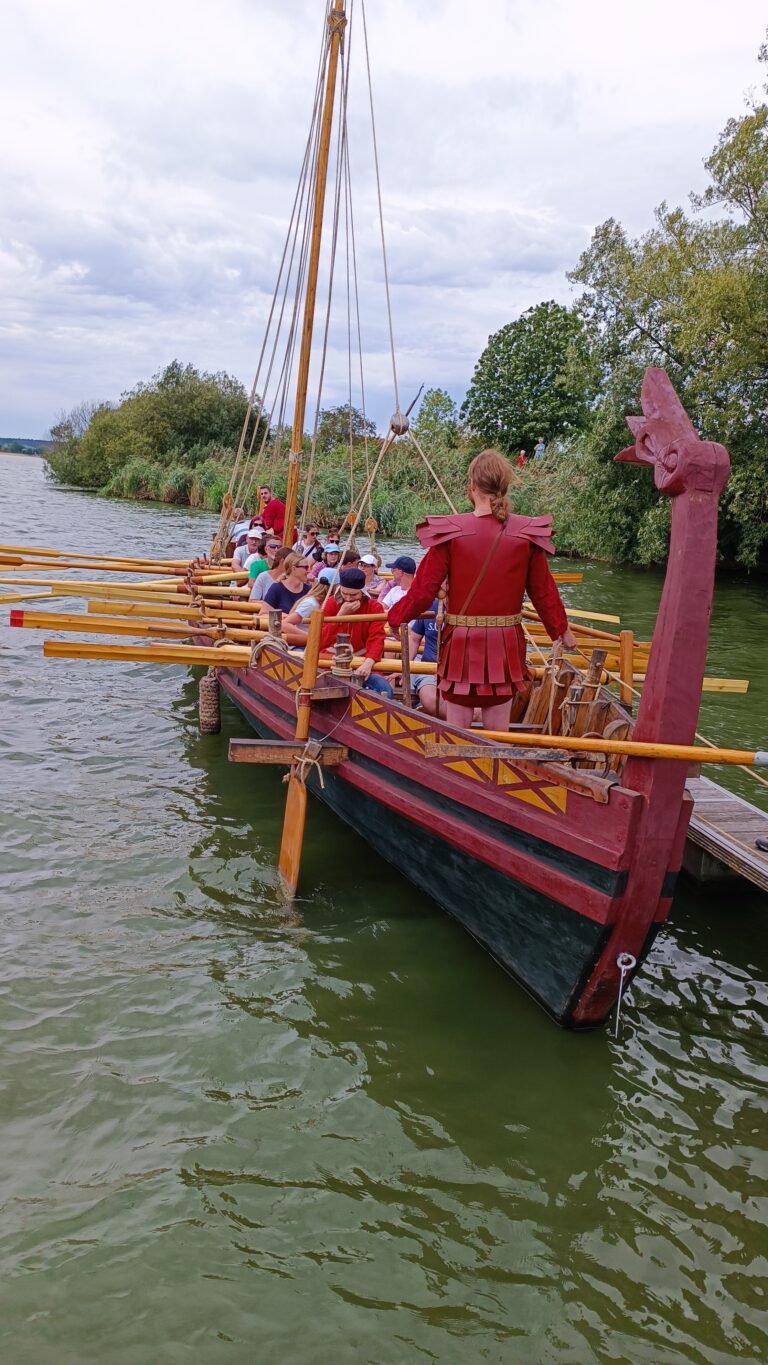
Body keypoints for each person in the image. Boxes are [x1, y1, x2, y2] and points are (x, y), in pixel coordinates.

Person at [387, 447, 576, 731]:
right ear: (504, 486)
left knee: (458, 729)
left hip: (461, 643)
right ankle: (494, 772)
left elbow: (423, 590)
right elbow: (544, 593)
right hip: (506, 643)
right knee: (498, 730)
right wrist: (562, 631)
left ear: (471, 485)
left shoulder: (451, 531)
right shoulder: (525, 533)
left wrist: (396, 617)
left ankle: (460, 774)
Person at [321, 568, 392, 698]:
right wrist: (340, 616)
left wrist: (368, 663)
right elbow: (320, 640)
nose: (348, 598)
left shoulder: (374, 607)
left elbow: (377, 637)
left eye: (353, 595)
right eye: (344, 593)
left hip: (362, 660)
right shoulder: (330, 603)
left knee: (384, 688)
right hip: (330, 659)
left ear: (362, 592)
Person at [404, 596, 446, 717]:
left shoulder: (469, 611)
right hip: (429, 667)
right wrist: (404, 667)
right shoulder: (431, 606)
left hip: (458, 671)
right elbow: (414, 638)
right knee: (431, 701)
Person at [283, 579, 331, 645]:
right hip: (302, 646)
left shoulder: (318, 603)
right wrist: (311, 637)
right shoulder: (311, 604)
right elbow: (284, 624)